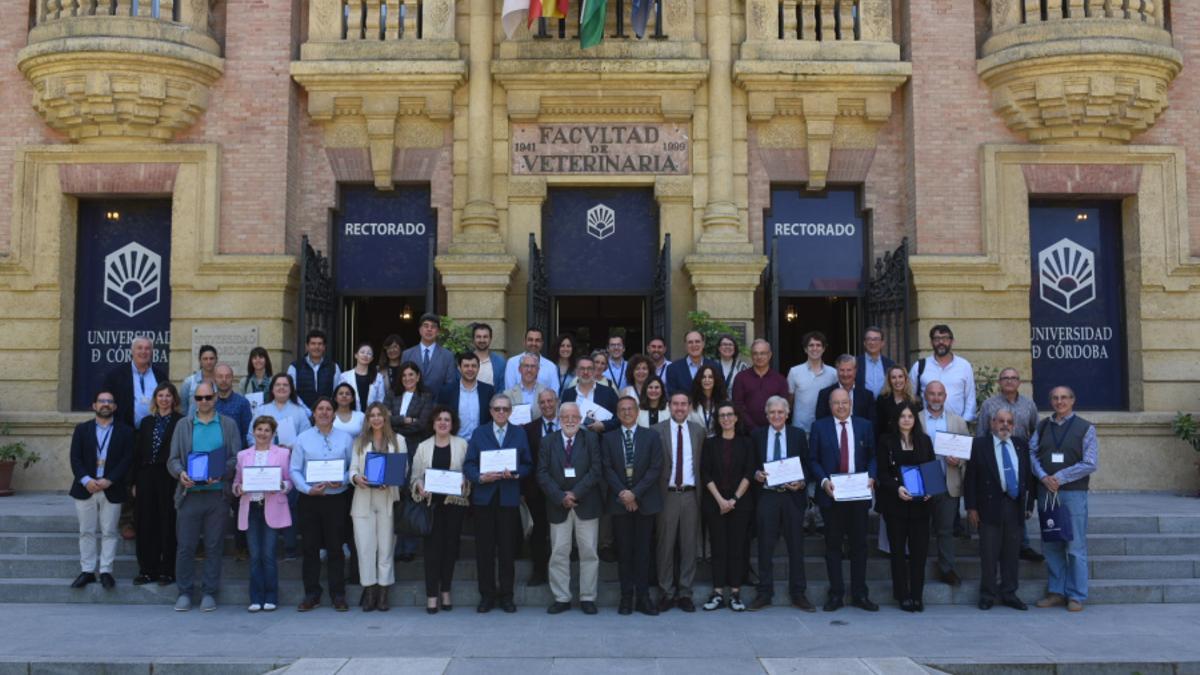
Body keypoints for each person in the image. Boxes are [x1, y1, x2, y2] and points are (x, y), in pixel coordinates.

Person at [167, 381, 241, 612]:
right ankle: (185, 592)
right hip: (190, 495)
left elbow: (236, 458)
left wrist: (221, 472)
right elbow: (173, 460)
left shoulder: (228, 425)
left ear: (216, 397)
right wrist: (181, 474)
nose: (204, 402)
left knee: (213, 545)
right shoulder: (184, 425)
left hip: (217, 495)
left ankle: (209, 592)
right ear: (194, 401)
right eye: (199, 398)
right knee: (186, 547)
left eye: (208, 397)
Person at [809, 388, 878, 612]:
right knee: (833, 546)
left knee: (859, 545)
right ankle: (836, 594)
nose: (841, 406)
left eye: (844, 402)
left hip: (858, 496)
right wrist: (823, 482)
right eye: (836, 403)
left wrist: (872, 476)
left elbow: (873, 457)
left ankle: (860, 594)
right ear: (830, 405)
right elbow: (813, 460)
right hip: (832, 496)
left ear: (851, 404)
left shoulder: (864, 425)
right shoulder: (819, 427)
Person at [1031, 386, 1098, 613]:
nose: (1060, 402)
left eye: (1064, 398)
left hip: (1073, 493)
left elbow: (1090, 462)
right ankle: (1056, 592)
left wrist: (1059, 477)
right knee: (1051, 544)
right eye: (1055, 398)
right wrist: (1043, 477)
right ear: (1051, 401)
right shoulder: (1042, 426)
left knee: (1074, 545)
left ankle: (1076, 595)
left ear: (1072, 400)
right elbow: (1031, 454)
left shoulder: (1086, 428)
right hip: (1047, 493)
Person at [464, 394, 533, 613]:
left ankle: (506, 595)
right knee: (484, 550)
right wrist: (480, 477)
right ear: (491, 411)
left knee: (507, 549)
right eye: (497, 409)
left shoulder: (519, 433)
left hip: (508, 498)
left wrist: (515, 474)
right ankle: (486, 596)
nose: (501, 412)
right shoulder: (479, 433)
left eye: (505, 409)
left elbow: (527, 464)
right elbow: (469, 465)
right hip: (484, 498)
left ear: (510, 411)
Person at [537, 402, 604, 615]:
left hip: (586, 503)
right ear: (559, 418)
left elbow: (596, 470)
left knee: (589, 552)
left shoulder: (591, 439)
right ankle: (562, 597)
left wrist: (575, 493)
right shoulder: (548, 442)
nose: (570, 420)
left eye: (574, 416)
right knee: (558, 552)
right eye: (565, 416)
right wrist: (560, 496)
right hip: (558, 506)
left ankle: (587, 597)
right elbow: (542, 473)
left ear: (581, 418)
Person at [965, 407, 1035, 611]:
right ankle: (987, 594)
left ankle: (1009, 593)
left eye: (1009, 422)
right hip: (988, 506)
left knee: (1012, 553)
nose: (1005, 425)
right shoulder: (980, 445)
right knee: (988, 553)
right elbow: (970, 479)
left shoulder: (1021, 445)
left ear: (1014, 426)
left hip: (1014, 505)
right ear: (992, 423)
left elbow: (1028, 478)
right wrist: (971, 508)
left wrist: (1029, 504)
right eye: (1001, 421)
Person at [748, 395, 813, 611]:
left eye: (780, 412)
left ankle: (799, 593)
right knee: (765, 547)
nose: (776, 416)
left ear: (787, 414)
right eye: (772, 412)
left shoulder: (797, 435)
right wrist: (756, 473)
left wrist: (801, 482)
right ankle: (764, 592)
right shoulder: (757, 435)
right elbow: (749, 465)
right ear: (766, 415)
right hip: (767, 496)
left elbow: (807, 464)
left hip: (792, 497)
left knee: (796, 546)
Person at [290, 397, 354, 612]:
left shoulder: (345, 439)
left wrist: (343, 480)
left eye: (328, 409)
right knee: (310, 548)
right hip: (310, 499)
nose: (325, 412)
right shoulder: (302, 439)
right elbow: (294, 470)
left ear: (334, 414)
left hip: (336, 499)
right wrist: (307, 489)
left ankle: (338, 594)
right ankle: (312, 594)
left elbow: (352, 467)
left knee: (336, 548)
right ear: (314, 413)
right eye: (320, 409)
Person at [602, 396, 664, 616]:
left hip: (645, 503)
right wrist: (624, 494)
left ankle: (644, 598)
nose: (627, 413)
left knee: (643, 552)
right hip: (620, 504)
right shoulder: (608, 438)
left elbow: (655, 468)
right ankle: (626, 597)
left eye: (630, 409)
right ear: (617, 414)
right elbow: (607, 468)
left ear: (638, 412)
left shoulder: (652, 436)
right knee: (625, 552)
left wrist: (635, 494)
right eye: (622, 410)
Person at [68, 389, 134, 590]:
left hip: (110, 488)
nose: (105, 404)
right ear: (94, 406)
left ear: (114, 407)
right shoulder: (82, 429)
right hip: (85, 487)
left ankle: (106, 571)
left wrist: (110, 480)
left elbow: (127, 460)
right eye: (101, 401)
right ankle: (87, 571)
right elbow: (75, 458)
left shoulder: (125, 431)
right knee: (86, 531)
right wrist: (86, 479)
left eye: (109, 402)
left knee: (109, 531)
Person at [977, 367, 1044, 563]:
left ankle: (1022, 545)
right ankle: (996, 545)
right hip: (995, 460)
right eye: (1005, 378)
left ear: (1019, 382)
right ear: (999, 382)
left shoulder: (1029, 404)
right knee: (999, 502)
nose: (1009, 381)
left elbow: (1036, 432)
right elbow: (981, 433)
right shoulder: (989, 405)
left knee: (1018, 501)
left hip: (1019, 459)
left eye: (1013, 378)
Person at [876, 402, 935, 612]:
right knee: (898, 553)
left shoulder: (924, 441)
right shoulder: (886, 441)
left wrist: (931, 489)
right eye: (903, 416)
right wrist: (897, 488)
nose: (907, 420)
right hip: (895, 505)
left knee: (919, 553)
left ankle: (917, 596)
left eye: (910, 416)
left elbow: (931, 469)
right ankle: (902, 595)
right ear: (896, 419)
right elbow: (882, 473)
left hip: (921, 506)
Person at [411, 406, 471, 613]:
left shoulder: (462, 445)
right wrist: (419, 486)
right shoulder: (423, 447)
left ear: (452, 424)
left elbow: (468, 471)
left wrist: (465, 480)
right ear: (433, 424)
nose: (443, 423)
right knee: (432, 552)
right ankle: (431, 595)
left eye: (447, 419)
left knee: (450, 550)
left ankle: (446, 590)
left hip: (454, 505)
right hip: (432, 507)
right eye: (439, 420)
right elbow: (415, 476)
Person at [348, 403, 405, 612]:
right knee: (365, 548)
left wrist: (391, 479)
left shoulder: (398, 440)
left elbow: (403, 468)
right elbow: (352, 468)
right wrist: (356, 478)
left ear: (386, 417)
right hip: (363, 499)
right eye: (372, 415)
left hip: (387, 499)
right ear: (367, 419)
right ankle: (369, 591)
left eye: (379, 414)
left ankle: (383, 592)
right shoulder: (359, 442)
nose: (376, 418)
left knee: (386, 547)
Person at [231, 416, 291, 612]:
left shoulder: (282, 454)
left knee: (268, 555)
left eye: (267, 430)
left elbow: (289, 481)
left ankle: (271, 597)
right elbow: (236, 482)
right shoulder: (243, 455)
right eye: (259, 429)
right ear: (253, 432)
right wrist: (238, 488)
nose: (262, 433)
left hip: (271, 506)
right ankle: (256, 597)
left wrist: (280, 485)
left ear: (272, 434)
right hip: (251, 509)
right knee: (255, 555)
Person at [700, 401, 756, 612]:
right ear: (718, 419)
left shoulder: (746, 443)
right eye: (722, 415)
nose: (725, 418)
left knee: (736, 548)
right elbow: (705, 473)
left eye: (729, 415)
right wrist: (721, 501)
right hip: (715, 503)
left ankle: (734, 593)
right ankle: (716, 593)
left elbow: (749, 472)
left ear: (736, 418)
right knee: (718, 547)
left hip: (740, 504)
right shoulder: (710, 443)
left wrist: (733, 500)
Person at [652, 392, 704, 613]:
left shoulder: (699, 432)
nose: (680, 408)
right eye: (676, 404)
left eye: (684, 404)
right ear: (669, 406)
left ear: (690, 407)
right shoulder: (657, 431)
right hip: (667, 495)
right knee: (665, 545)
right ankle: (666, 592)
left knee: (689, 545)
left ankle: (685, 592)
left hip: (691, 495)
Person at [253, 373, 312, 560]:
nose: (281, 388)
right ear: (272, 389)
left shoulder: (299, 411)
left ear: (291, 388)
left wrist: (291, 446)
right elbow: (249, 436)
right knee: (265, 505)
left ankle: (290, 547)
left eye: (285, 385)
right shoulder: (261, 410)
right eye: (277, 385)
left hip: (289, 465)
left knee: (290, 506)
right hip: (265, 465)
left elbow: (306, 439)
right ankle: (266, 546)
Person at [131, 382, 183, 586]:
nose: (164, 399)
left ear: (174, 399)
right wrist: (134, 481)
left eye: (168, 396)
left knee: (167, 522)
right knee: (145, 523)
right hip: (145, 476)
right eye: (160, 396)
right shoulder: (146, 423)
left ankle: (167, 570)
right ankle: (147, 569)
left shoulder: (181, 422)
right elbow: (137, 454)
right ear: (155, 399)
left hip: (168, 476)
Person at [921, 381, 969, 588]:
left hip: (949, 479)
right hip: (924, 480)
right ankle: (917, 569)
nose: (936, 398)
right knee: (919, 528)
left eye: (940, 394)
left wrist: (958, 460)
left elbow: (967, 453)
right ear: (925, 395)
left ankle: (947, 569)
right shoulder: (915, 419)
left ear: (945, 396)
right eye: (932, 394)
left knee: (946, 529)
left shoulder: (957, 422)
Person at [521, 388, 560, 587]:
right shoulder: (529, 429)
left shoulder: (568, 424)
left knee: (560, 534)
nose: (546, 405)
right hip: (536, 490)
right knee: (538, 532)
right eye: (542, 402)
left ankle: (559, 574)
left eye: (550, 401)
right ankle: (539, 572)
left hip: (562, 489)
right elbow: (525, 459)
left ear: (557, 401)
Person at [910, 324, 976, 422]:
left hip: (956, 426)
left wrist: (963, 423)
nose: (941, 342)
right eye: (937, 339)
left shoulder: (964, 366)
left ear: (952, 341)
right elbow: (909, 396)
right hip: (926, 426)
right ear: (931, 342)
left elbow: (970, 399)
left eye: (945, 338)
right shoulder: (919, 366)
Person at [103, 336, 168, 430]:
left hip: (154, 433)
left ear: (152, 352)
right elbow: (107, 402)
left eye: (147, 348)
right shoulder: (116, 375)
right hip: (125, 432)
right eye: (140, 348)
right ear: (132, 351)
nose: (143, 352)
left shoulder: (160, 376)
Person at [732, 339, 789, 432]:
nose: (759, 357)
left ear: (769, 355)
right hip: (746, 432)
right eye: (755, 353)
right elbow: (738, 405)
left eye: (763, 353)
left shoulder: (780, 380)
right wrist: (753, 428)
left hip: (772, 431)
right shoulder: (741, 378)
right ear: (751, 355)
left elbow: (783, 407)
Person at [786, 331, 837, 434]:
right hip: (800, 429)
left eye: (818, 345)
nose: (815, 348)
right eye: (811, 345)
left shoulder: (833, 373)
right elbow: (789, 401)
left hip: (825, 429)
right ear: (805, 349)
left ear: (824, 349)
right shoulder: (794, 372)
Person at [437, 352, 494, 442]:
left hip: (481, 442)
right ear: (459, 368)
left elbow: (492, 419)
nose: (470, 369)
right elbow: (439, 418)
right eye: (466, 366)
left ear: (478, 368)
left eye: (473, 366)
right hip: (454, 442)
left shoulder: (488, 391)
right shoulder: (447, 391)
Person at [561, 354, 619, 434]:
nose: (586, 372)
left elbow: (619, 417)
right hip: (575, 442)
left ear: (594, 371)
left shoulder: (608, 392)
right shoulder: (568, 394)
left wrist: (604, 425)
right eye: (582, 369)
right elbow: (562, 418)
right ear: (577, 372)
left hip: (601, 442)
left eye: (589, 369)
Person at [403, 313, 455, 395]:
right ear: (420, 330)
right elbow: (402, 381)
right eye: (426, 326)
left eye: (433, 327)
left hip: (438, 404)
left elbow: (449, 385)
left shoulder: (447, 356)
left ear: (438, 332)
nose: (429, 329)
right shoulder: (407, 354)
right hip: (413, 405)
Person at [288, 329, 341, 410]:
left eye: (320, 344)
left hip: (326, 413)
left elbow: (336, 393)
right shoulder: (295, 367)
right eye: (313, 344)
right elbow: (291, 392)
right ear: (307, 346)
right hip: (301, 411)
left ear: (324, 347)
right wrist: (305, 410)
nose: (317, 347)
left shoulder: (333, 367)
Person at [815, 354, 876, 424]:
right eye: (842, 370)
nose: (845, 374)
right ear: (837, 371)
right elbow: (820, 423)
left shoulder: (867, 396)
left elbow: (872, 424)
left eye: (849, 370)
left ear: (855, 371)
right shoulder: (825, 394)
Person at [390, 361, 434, 451]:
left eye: (411, 375)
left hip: (415, 444)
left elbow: (422, 424)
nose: (407, 378)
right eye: (404, 375)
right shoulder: (392, 394)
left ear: (417, 377)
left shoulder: (426, 396)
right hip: (392, 442)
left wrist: (395, 425)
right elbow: (385, 418)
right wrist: (406, 420)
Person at [504, 327, 559, 394]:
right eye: (530, 340)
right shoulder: (512, 363)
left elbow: (554, 393)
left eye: (537, 340)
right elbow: (510, 391)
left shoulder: (551, 366)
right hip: (518, 403)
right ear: (524, 342)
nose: (534, 343)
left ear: (542, 343)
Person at [874, 364, 920, 442]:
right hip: (888, 444)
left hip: (909, 444)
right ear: (889, 380)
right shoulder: (882, 400)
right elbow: (879, 426)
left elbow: (917, 427)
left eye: (900, 376)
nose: (897, 380)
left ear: (905, 379)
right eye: (893, 377)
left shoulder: (913, 401)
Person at [337, 341, 387, 413]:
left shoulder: (378, 377)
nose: (365, 355)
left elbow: (381, 399)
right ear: (356, 355)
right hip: (351, 415)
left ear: (372, 358)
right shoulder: (345, 376)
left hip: (372, 417)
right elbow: (340, 398)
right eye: (362, 352)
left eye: (369, 353)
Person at [666, 330, 718, 396]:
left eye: (697, 341)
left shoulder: (715, 367)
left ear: (703, 344)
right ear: (685, 345)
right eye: (690, 342)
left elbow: (719, 392)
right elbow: (672, 396)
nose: (694, 345)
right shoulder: (673, 369)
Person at [214, 364, 253, 448]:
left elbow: (246, 433)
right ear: (215, 379)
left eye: (227, 376)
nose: (224, 380)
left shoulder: (242, 403)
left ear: (232, 378)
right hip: (213, 452)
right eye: (220, 376)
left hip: (236, 454)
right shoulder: (209, 402)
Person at [856, 326, 895, 398]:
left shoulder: (890, 364)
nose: (872, 342)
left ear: (882, 343)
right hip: (863, 407)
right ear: (864, 343)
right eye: (869, 339)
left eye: (876, 339)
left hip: (884, 406)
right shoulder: (855, 363)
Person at [687, 364, 726, 435]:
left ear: (715, 380)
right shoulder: (691, 401)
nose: (707, 380)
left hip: (717, 441)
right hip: (697, 440)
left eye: (710, 377)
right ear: (699, 380)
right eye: (703, 377)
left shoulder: (723, 400)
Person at [180, 344, 218, 416]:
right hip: (193, 425)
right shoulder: (189, 382)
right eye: (205, 359)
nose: (209, 362)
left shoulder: (221, 382)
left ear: (216, 360)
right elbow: (183, 409)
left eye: (211, 358)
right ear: (200, 360)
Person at [468, 323, 506, 391]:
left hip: (492, 401)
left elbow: (502, 388)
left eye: (485, 337)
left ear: (490, 339)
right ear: (473, 339)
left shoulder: (500, 362)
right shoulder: (465, 361)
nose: (482, 340)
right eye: (478, 337)